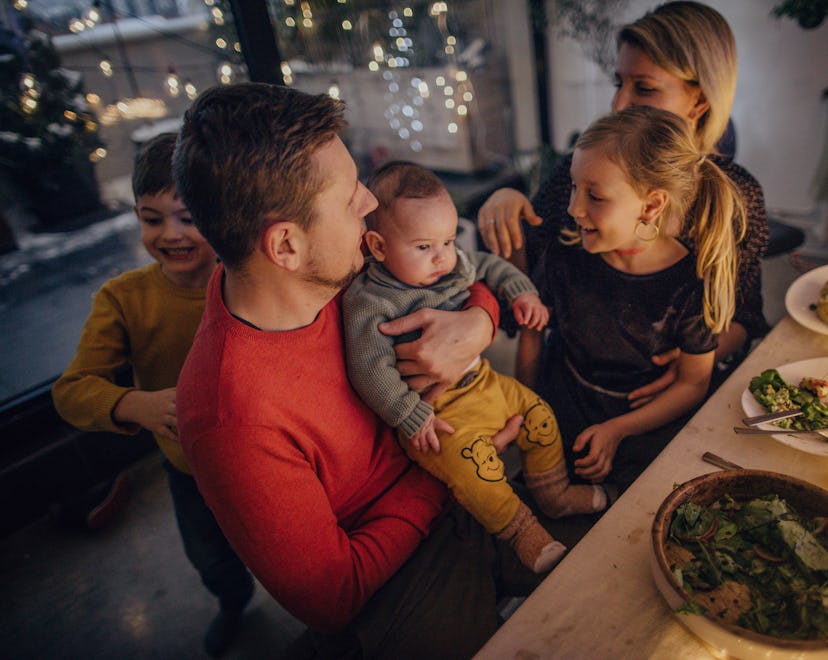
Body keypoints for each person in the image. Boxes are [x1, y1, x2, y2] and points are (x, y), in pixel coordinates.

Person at [172, 82, 552, 659]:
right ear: (285, 246)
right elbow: (332, 595)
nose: (371, 207)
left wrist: (479, 318)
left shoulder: (344, 268)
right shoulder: (231, 417)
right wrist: (451, 471)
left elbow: (456, 275)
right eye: (352, 198)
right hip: (401, 571)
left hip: (473, 475)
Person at [478, 0, 769, 402]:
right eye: (619, 83)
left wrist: (688, 372)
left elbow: (745, 317)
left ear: (700, 101)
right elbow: (525, 298)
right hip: (576, 387)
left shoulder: (738, 196)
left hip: (666, 402)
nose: (618, 104)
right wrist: (508, 200)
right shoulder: (581, 175)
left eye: (644, 88)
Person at [343, 161, 610, 574]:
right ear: (378, 247)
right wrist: (407, 413)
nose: (443, 257)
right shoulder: (371, 301)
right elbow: (367, 367)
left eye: (449, 240)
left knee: (538, 415)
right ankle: (523, 531)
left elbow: (488, 266)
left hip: (485, 381)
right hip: (436, 416)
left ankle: (555, 492)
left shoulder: (450, 265)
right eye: (424, 247)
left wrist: (521, 293)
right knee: (475, 470)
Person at [51, 133, 254, 657]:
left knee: (298, 549)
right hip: (188, 468)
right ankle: (233, 604)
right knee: (211, 557)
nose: (171, 235)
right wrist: (135, 404)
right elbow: (72, 391)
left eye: (188, 218)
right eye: (152, 218)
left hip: (269, 458)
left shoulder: (253, 277)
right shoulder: (123, 299)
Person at [522, 104, 743, 494]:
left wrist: (617, 431)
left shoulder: (690, 283)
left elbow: (692, 384)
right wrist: (523, 406)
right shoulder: (565, 254)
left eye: (596, 196)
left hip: (643, 417)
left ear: (651, 205)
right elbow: (532, 332)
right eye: (574, 187)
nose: (574, 208)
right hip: (565, 397)